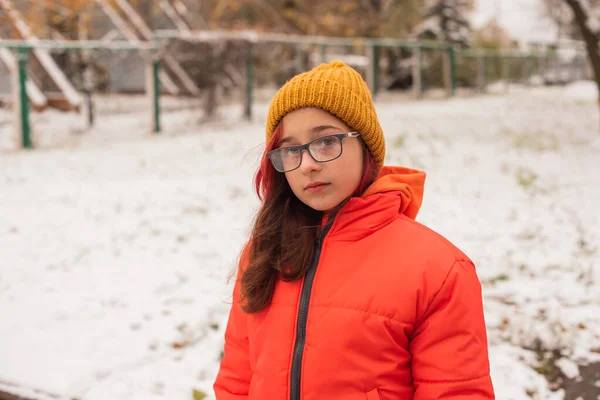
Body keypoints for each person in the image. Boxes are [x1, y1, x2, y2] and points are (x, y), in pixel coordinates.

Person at [213, 61, 495, 400]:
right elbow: (236, 382)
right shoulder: (263, 253)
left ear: (366, 147)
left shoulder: (438, 270)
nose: (308, 164)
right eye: (291, 150)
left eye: (326, 142)